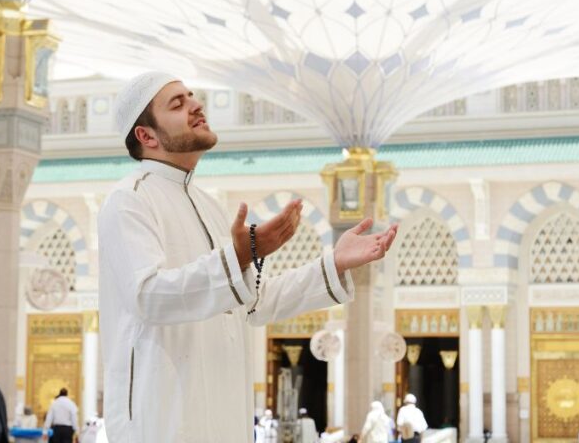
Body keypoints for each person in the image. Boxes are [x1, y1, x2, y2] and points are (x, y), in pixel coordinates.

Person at [98, 71, 398, 443]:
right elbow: (147, 296)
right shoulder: (129, 199)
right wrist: (237, 256)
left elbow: (251, 302)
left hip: (225, 420)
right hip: (162, 420)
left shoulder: (209, 206)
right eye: (177, 103)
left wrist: (332, 265)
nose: (196, 105)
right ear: (146, 136)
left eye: (192, 96)